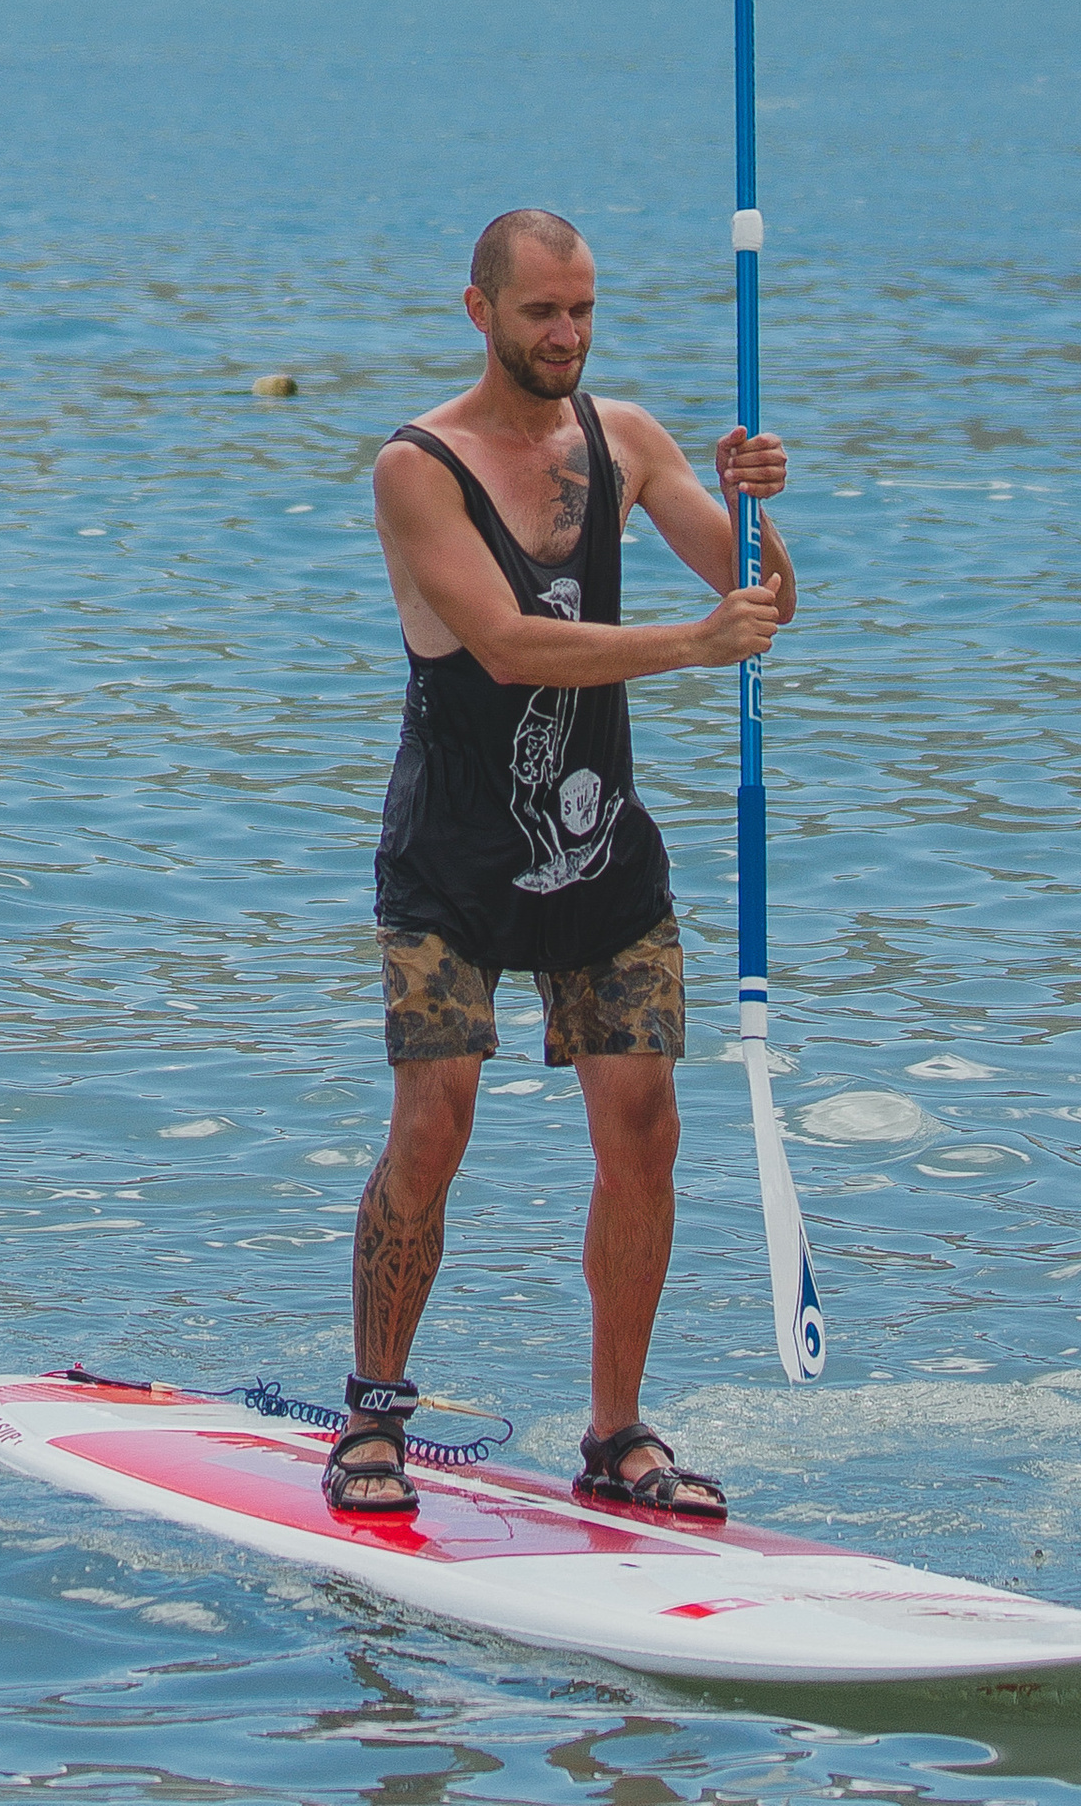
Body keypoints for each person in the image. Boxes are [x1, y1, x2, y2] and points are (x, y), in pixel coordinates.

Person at [324, 207, 795, 1524]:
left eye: (584, 310)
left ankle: (616, 1434)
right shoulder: (417, 468)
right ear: (480, 312)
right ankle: (375, 1413)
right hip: (452, 868)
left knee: (644, 1133)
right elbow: (510, 647)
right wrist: (696, 646)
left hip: (602, 863)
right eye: (543, 313)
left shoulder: (628, 443)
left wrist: (758, 518)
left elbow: (757, 609)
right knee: (437, 1123)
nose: (568, 336)